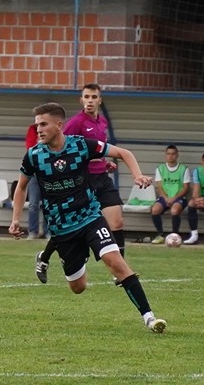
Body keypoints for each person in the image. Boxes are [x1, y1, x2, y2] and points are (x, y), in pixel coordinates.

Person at [10, 102, 167, 333]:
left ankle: (150, 318)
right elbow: (21, 187)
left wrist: (137, 175)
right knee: (78, 287)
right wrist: (15, 219)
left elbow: (123, 153)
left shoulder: (81, 145)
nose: (39, 130)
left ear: (59, 125)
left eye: (43, 124)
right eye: (37, 125)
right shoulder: (34, 156)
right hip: (62, 228)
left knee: (116, 262)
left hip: (90, 217)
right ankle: (58, 256)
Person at [34, 83, 123, 283]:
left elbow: (94, 150)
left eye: (94, 97)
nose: (90, 101)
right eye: (86, 97)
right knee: (69, 225)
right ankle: (44, 257)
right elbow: (61, 149)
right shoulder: (75, 123)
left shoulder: (102, 122)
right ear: (81, 100)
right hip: (82, 181)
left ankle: (120, 271)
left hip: (101, 177)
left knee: (117, 221)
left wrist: (104, 162)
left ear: (100, 100)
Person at [149, 144, 190, 244]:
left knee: (174, 210)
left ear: (177, 155)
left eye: (173, 154)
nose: (171, 156)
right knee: (155, 209)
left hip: (179, 197)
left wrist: (174, 198)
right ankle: (160, 234)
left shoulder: (184, 169)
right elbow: (160, 187)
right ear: (166, 155)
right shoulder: (160, 168)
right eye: (168, 154)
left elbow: (186, 188)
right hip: (165, 197)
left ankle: (175, 236)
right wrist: (166, 198)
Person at [24, 122, 45, 238]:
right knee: (33, 204)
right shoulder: (32, 129)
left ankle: (48, 232)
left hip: (48, 172)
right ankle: (33, 231)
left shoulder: (52, 130)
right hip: (34, 172)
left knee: (48, 204)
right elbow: (30, 149)